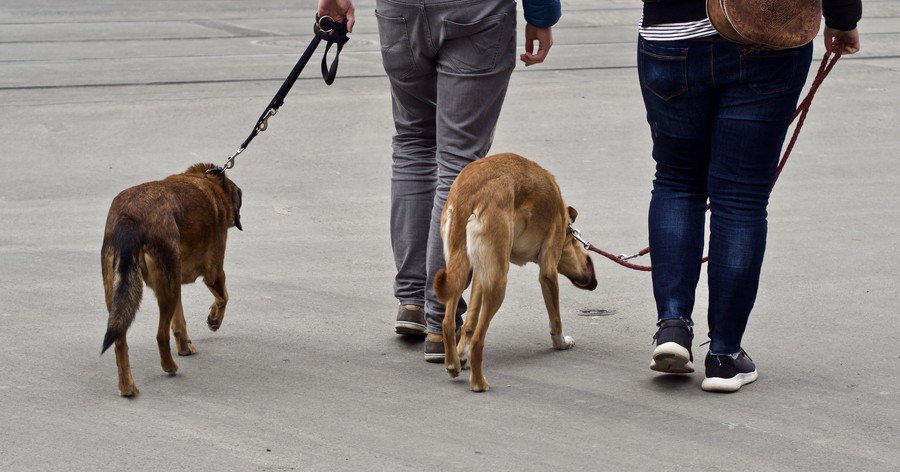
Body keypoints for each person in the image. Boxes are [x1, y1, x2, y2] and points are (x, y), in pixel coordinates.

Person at [318, 0, 562, 361]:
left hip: (400, 10)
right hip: (476, 12)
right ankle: (440, 317)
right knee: (459, 160)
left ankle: (412, 300)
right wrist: (541, 15)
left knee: (412, 142)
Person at [640, 0, 862, 392]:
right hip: (765, 35)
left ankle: (672, 325)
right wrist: (844, 19)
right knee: (740, 199)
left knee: (677, 181)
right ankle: (725, 355)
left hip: (670, 34)